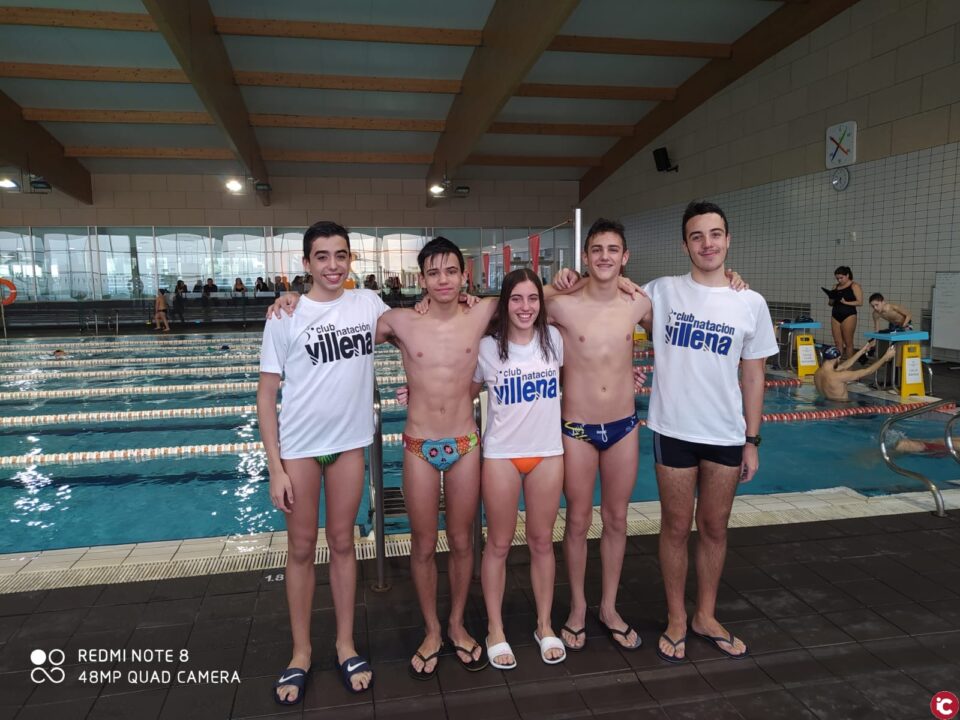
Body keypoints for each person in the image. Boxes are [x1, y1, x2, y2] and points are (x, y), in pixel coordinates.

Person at [640, 200, 779, 663]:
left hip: (724, 432)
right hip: (673, 428)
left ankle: (706, 614)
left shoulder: (750, 302)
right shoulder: (660, 291)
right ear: (685, 244)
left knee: (714, 527)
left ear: (728, 239)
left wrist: (752, 440)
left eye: (715, 234)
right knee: (676, 527)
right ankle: (677, 617)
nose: (707, 243)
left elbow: (754, 375)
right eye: (697, 236)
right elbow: (605, 300)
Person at [257, 221, 386, 703]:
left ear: (351, 259)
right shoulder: (284, 316)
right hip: (300, 449)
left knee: (343, 543)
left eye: (341, 255)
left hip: (349, 445)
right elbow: (266, 395)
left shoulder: (369, 304)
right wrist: (275, 465)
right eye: (323, 256)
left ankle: (346, 644)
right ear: (307, 263)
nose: (333, 265)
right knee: (301, 548)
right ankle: (300, 652)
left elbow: (416, 326)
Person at [471, 269, 567, 669]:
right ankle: (495, 629)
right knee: (498, 544)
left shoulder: (555, 340)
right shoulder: (487, 348)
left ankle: (544, 625)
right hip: (501, 456)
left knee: (542, 542)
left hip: (547, 452)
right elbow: (463, 389)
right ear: (504, 303)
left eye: (532, 299)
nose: (525, 307)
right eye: (516, 299)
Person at [814, 341, 896, 401]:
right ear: (835, 359)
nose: (839, 360)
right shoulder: (839, 376)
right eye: (839, 359)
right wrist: (885, 357)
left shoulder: (817, 373)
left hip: (826, 407)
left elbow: (844, 365)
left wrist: (862, 351)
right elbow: (868, 371)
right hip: (841, 410)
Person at [826, 266, 861, 359]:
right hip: (835, 314)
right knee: (837, 342)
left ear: (847, 275)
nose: (839, 280)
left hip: (849, 315)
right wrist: (831, 298)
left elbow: (860, 302)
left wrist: (846, 302)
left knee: (848, 342)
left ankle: (849, 367)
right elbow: (830, 304)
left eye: (841, 278)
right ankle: (837, 365)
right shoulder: (835, 286)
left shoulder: (854, 286)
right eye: (837, 278)